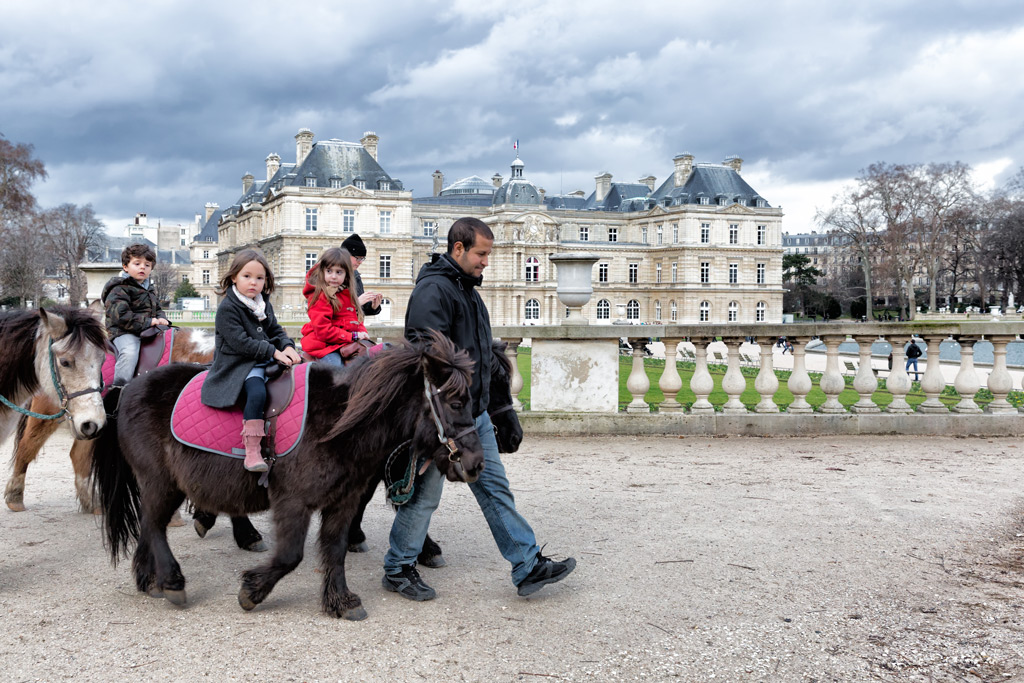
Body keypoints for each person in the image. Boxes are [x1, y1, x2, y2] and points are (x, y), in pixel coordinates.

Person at [382, 216, 576, 601]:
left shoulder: (466, 289)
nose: (486, 261)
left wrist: (500, 409)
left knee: (494, 489)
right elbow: (426, 358)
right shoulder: (434, 292)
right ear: (458, 249)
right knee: (425, 495)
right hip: (446, 421)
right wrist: (454, 416)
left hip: (475, 414)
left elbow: (484, 354)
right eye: (481, 253)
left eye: (488, 253)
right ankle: (397, 567)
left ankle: (526, 564)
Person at [201, 249, 302, 473]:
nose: (253, 283)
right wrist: (275, 353)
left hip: (263, 359)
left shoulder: (262, 303)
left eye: (259, 278)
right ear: (234, 277)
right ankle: (252, 450)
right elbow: (241, 343)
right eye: (247, 276)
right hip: (239, 365)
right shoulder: (227, 308)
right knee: (257, 393)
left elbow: (275, 330)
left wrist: (287, 346)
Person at [102, 243, 169, 387]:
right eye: (137, 263)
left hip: (146, 329)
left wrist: (162, 318)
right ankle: (118, 389)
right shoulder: (119, 288)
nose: (142, 267)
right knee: (130, 351)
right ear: (125, 267)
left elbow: (156, 308)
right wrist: (149, 322)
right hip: (123, 331)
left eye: (147, 265)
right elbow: (120, 316)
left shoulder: (148, 288)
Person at [300, 247, 369, 367]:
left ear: (346, 274)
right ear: (323, 272)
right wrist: (352, 336)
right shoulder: (320, 296)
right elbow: (323, 330)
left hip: (342, 342)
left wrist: (363, 333)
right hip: (324, 346)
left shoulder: (346, 293)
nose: (333, 276)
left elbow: (354, 319)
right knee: (338, 374)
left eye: (339, 272)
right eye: (329, 271)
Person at [341, 234, 383, 318]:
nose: (360, 262)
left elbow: (360, 307)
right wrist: (356, 303)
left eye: (362, 258)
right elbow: (329, 310)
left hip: (354, 328)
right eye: (358, 258)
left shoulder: (355, 275)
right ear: (345, 255)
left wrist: (372, 306)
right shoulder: (331, 276)